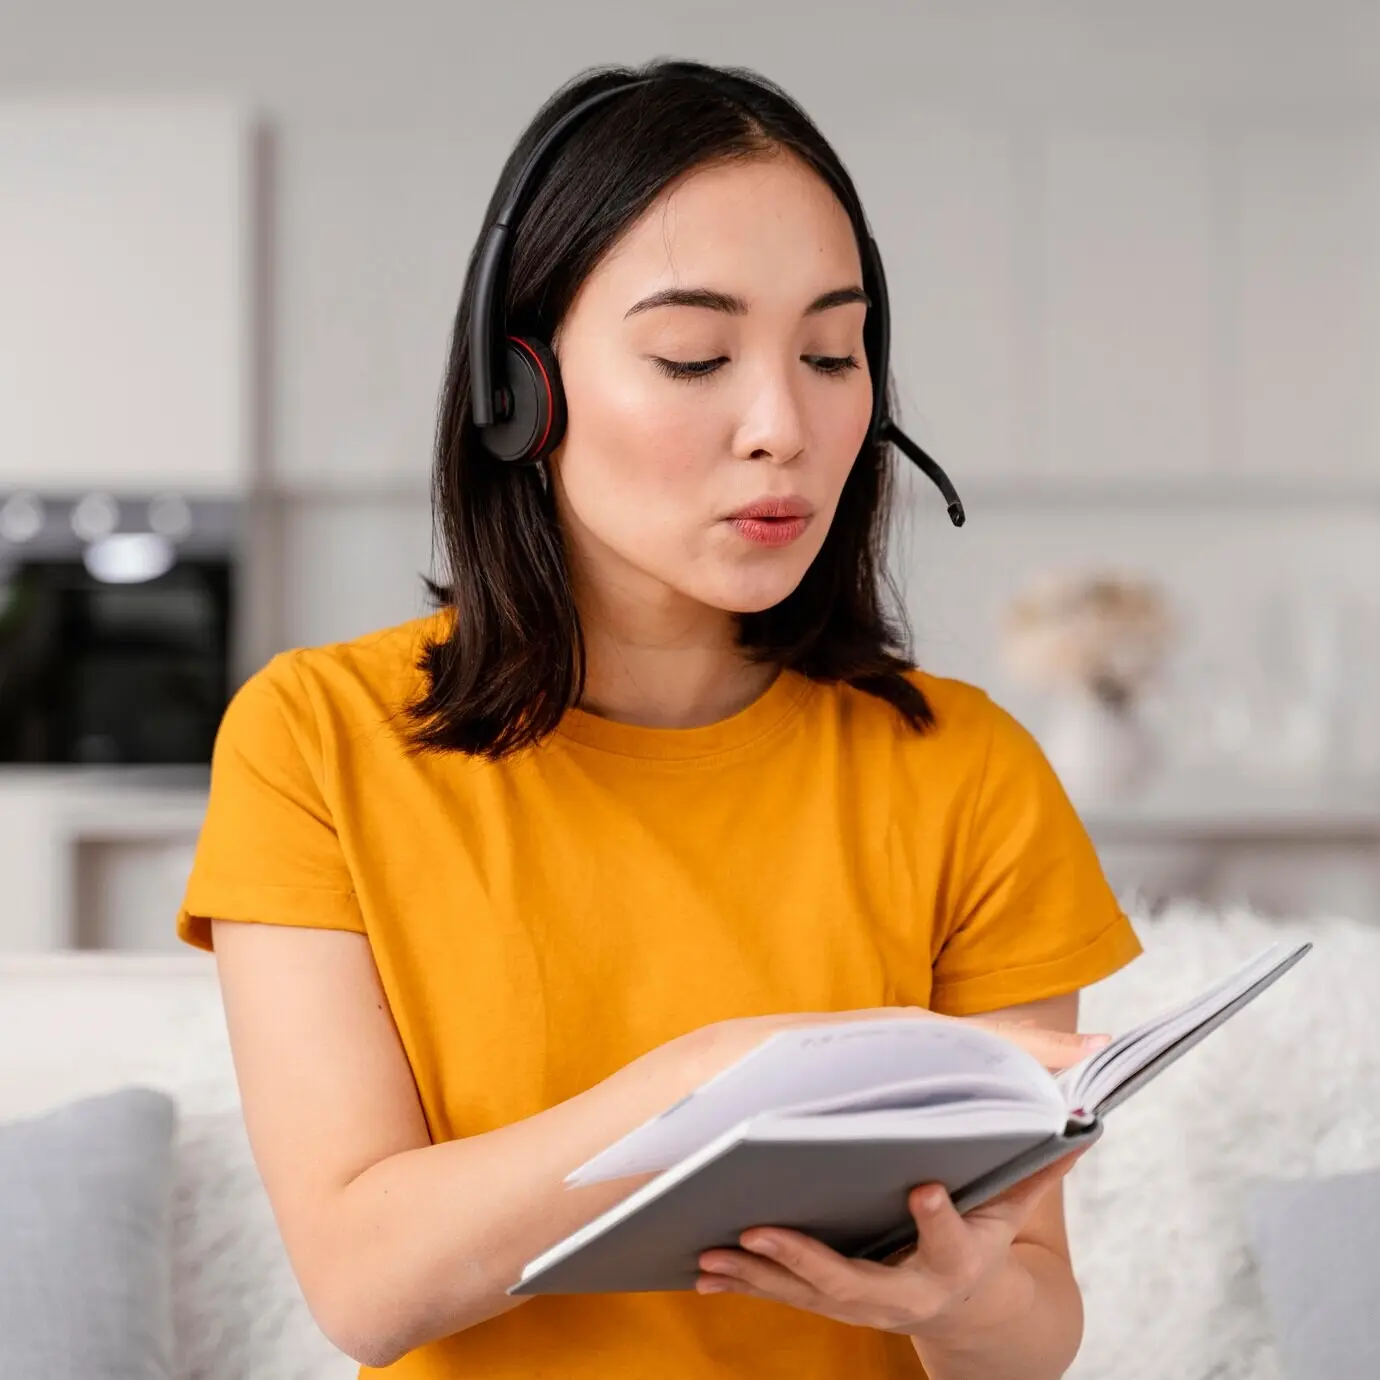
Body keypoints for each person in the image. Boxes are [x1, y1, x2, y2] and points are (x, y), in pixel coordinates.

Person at [177, 58, 1143, 1380]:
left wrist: (958, 1301)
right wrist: (720, 1082)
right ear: (520, 391)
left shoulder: (965, 768)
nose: (783, 427)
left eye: (831, 353)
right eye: (694, 356)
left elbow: (1031, 1338)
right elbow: (365, 1279)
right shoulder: (316, 741)